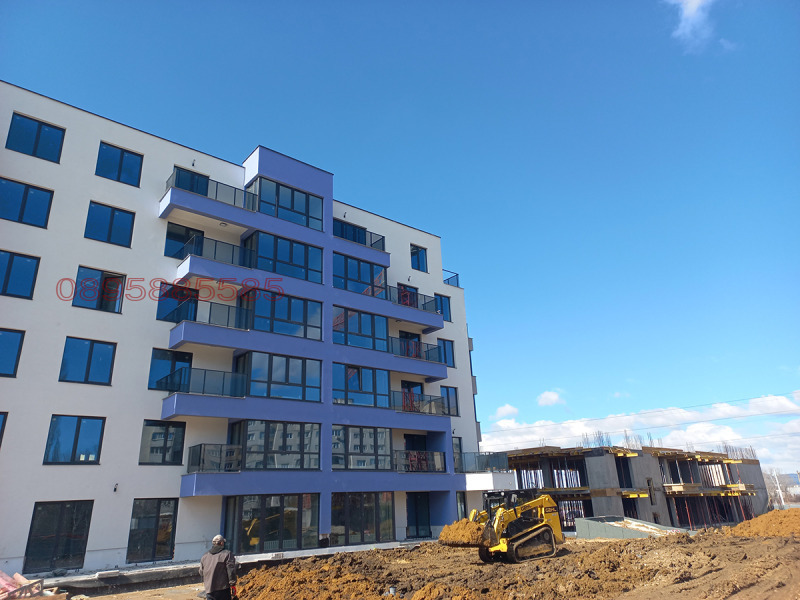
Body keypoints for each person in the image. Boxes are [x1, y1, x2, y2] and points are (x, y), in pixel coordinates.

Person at [199, 534, 237, 600]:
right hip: (222, 589)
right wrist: (232, 584)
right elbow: (231, 570)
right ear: (222, 543)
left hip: (209, 590)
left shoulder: (205, 556)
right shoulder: (227, 554)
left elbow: (201, 572)